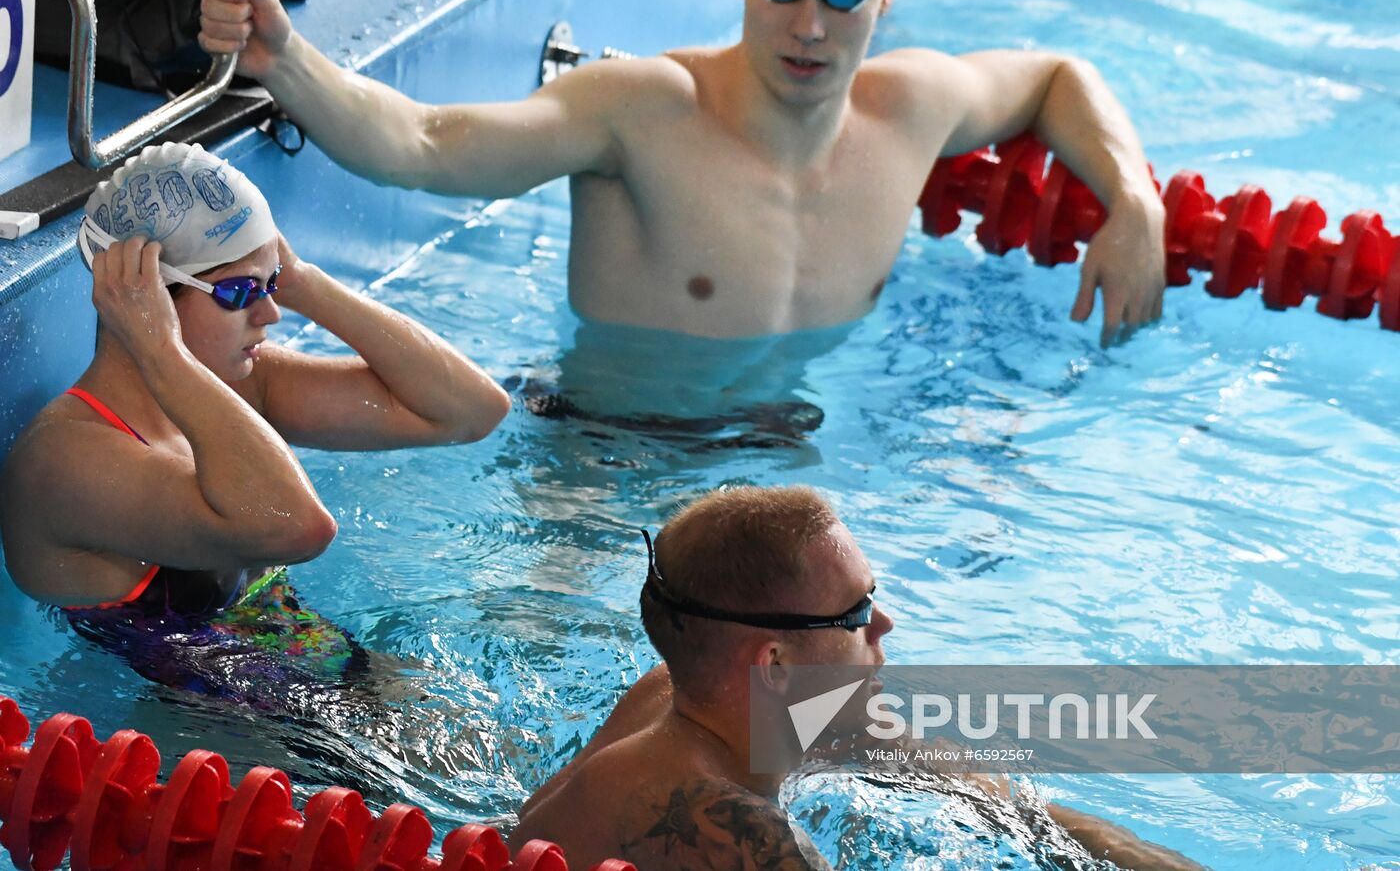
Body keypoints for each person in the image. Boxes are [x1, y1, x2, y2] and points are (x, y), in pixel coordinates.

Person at [196, 0, 1165, 349]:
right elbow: (421, 146)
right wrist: (283, 60)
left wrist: (1136, 203)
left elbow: (1054, 76)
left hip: (795, 457)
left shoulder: (908, 107)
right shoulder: (643, 111)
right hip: (609, 466)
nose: (806, 24)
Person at [0, 142, 510, 688]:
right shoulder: (66, 457)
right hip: (204, 754)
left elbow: (470, 411)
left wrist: (302, 280)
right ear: (148, 296)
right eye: (240, 291)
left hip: (328, 689)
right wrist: (159, 349)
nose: (270, 312)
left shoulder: (240, 383)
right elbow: (299, 528)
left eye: (271, 285)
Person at [510, 486, 1202, 870]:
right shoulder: (734, 828)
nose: (886, 625)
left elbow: (1009, 807)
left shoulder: (703, 694)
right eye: (857, 612)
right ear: (774, 664)